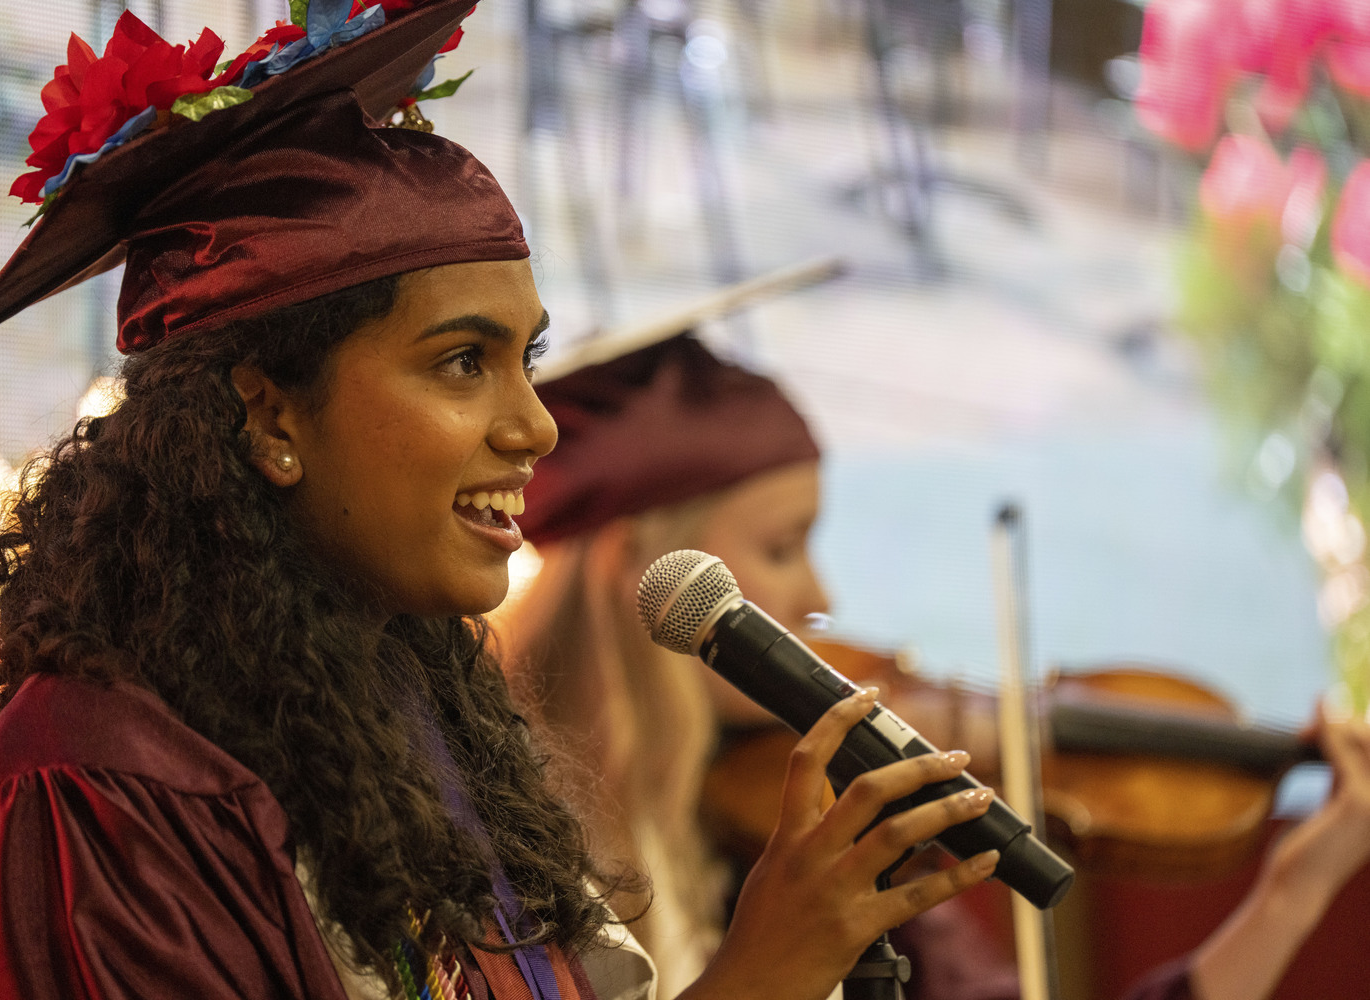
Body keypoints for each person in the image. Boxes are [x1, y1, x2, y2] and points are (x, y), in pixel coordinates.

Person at [0, 3, 1002, 999]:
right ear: (270, 416)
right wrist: (758, 978)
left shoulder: (411, 725)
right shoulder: (96, 785)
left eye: (527, 357)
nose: (536, 425)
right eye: (462, 362)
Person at [501, 329, 1370, 1000]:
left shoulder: (818, 822)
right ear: (638, 574)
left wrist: (1293, 893)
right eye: (778, 546)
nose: (818, 588)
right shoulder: (495, 840)